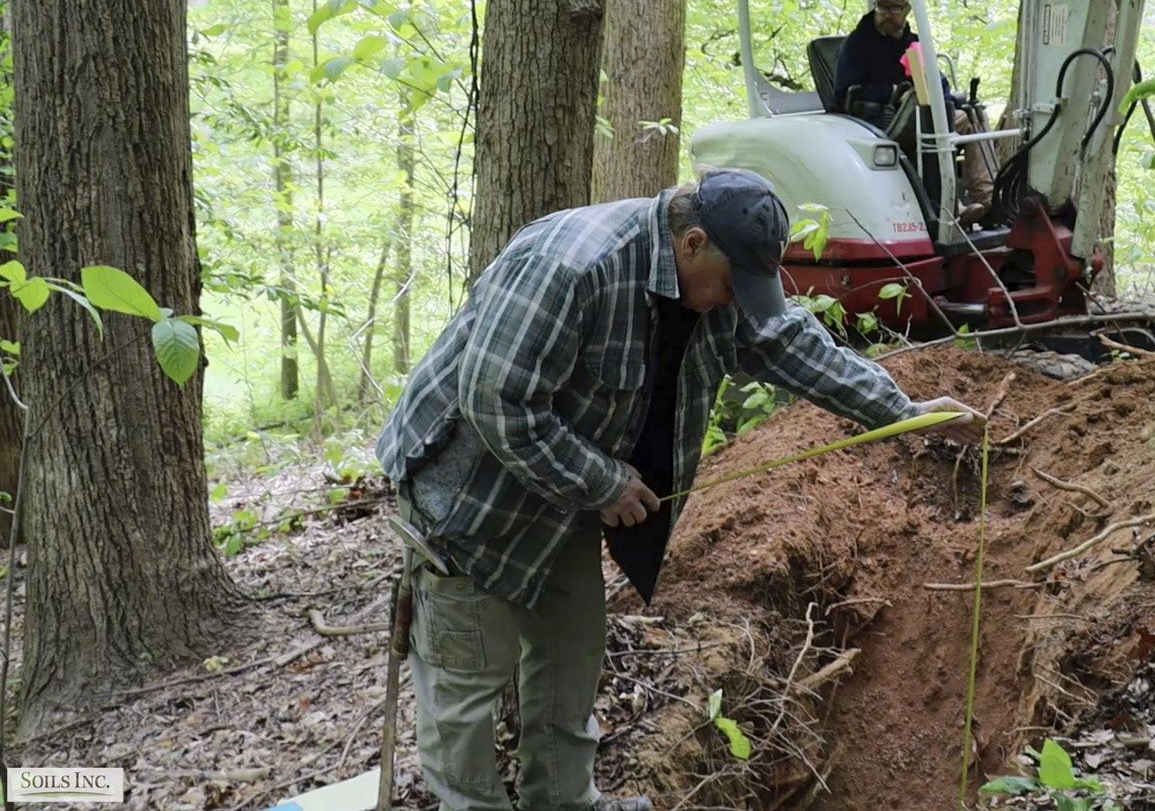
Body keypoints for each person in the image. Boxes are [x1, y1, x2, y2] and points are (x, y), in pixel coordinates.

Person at [375, 168, 985, 811]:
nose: (732, 301)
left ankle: (564, 802)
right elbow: (496, 402)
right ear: (692, 243)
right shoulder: (574, 265)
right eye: (728, 285)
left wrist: (901, 409)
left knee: (569, 657)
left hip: (563, 500)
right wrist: (602, 481)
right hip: (470, 499)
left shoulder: (720, 285)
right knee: (466, 689)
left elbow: (791, 346)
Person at [832, 0, 994, 221]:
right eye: (882, 8)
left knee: (972, 115)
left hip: (917, 114)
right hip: (878, 119)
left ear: (907, 10)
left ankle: (988, 199)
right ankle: (950, 207)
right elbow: (846, 91)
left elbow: (938, 82)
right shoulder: (857, 44)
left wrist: (949, 99)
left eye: (894, 8)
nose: (887, 14)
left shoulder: (913, 42)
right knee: (931, 125)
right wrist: (893, 91)